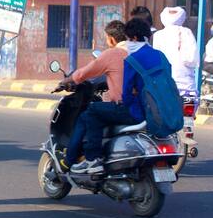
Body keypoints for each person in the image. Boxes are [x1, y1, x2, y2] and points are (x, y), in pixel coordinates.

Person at [66, 18, 169, 174]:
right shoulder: (157, 55)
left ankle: (92, 159)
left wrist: (67, 80)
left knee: (92, 112)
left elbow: (125, 90)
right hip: (156, 110)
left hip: (134, 110)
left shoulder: (126, 56)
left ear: (132, 38)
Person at [62, 20, 129, 170]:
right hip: (143, 108)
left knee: (89, 113)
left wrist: (65, 81)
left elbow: (82, 74)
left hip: (124, 108)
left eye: (106, 38)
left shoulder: (113, 54)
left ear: (111, 39)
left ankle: (81, 159)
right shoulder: (138, 52)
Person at [153, 6, 199, 98]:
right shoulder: (187, 32)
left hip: (165, 86)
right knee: (188, 111)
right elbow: (193, 59)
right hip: (187, 87)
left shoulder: (158, 35)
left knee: (167, 112)